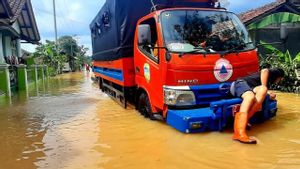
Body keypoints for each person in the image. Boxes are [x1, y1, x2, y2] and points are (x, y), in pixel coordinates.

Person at [230, 68, 285, 144]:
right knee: (250, 97)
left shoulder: (267, 82)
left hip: (251, 88)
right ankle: (238, 133)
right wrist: (265, 88)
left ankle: (245, 121)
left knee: (260, 97)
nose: (279, 82)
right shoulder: (276, 72)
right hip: (239, 83)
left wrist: (268, 94)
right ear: (280, 77)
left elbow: (263, 90)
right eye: (280, 80)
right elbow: (264, 71)